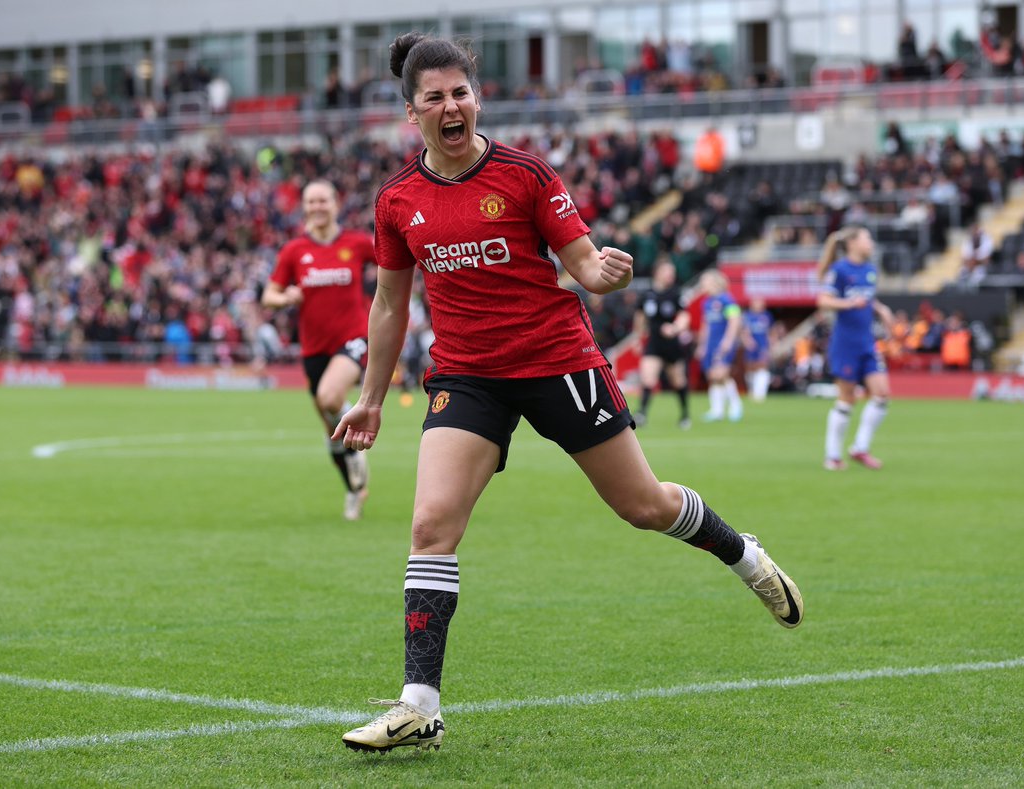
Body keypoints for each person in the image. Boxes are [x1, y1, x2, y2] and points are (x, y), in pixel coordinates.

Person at [333, 32, 803, 755]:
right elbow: (390, 304)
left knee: (643, 505)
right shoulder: (398, 200)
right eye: (435, 97)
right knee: (430, 525)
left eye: (461, 92)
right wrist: (370, 397)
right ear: (412, 113)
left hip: (557, 361)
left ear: (477, 99)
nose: (451, 105)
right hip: (467, 375)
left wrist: (602, 272)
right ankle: (419, 703)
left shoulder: (525, 174)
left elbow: (581, 259)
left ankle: (744, 553)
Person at [263, 180, 373, 520]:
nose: (317, 207)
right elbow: (269, 295)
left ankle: (358, 449)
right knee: (330, 431)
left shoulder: (356, 243)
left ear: (336, 203)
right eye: (311, 202)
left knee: (329, 398)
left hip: (353, 338)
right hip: (313, 349)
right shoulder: (295, 250)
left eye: (323, 200)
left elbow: (394, 260)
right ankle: (355, 491)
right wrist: (286, 298)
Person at [816, 225, 895, 471]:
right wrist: (849, 303)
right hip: (845, 343)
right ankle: (833, 455)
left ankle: (860, 448)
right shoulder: (839, 270)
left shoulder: (870, 270)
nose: (870, 242)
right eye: (866, 237)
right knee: (847, 399)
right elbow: (823, 300)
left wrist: (881, 309)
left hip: (867, 342)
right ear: (852, 243)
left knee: (881, 394)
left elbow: (867, 299)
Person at [632, 257, 693, 429]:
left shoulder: (676, 293)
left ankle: (685, 415)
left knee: (678, 381)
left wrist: (675, 328)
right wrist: (637, 338)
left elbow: (684, 316)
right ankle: (642, 414)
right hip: (654, 343)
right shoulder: (647, 295)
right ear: (658, 273)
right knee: (647, 379)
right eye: (668, 271)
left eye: (672, 272)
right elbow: (640, 317)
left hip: (672, 344)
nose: (671, 275)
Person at [695, 269, 743, 422]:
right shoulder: (706, 303)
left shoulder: (727, 300)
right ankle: (717, 410)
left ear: (715, 282)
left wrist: (728, 340)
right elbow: (706, 325)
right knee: (712, 376)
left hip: (723, 342)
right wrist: (702, 345)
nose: (702, 285)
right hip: (711, 343)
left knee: (721, 374)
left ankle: (736, 406)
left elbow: (735, 320)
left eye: (705, 281)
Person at [742, 297, 773, 402]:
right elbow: (744, 330)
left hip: (763, 345)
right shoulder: (747, 316)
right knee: (750, 367)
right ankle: (752, 390)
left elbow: (770, 331)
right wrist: (747, 341)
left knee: (762, 366)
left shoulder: (767, 315)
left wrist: (770, 345)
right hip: (751, 346)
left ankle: (760, 393)